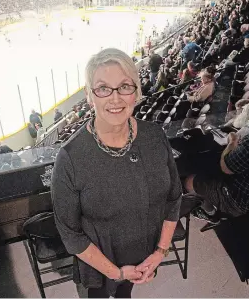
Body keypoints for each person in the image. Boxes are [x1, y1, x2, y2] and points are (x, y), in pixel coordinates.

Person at [52, 48, 182, 298]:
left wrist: (159, 253)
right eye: (103, 88)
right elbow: (71, 234)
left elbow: (173, 198)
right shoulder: (70, 158)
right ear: (90, 96)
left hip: (145, 255)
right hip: (98, 267)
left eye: (124, 86)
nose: (115, 98)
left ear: (136, 92)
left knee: (125, 295)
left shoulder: (155, 136)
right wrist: (116, 273)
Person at [184, 86, 249, 223]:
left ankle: (211, 214)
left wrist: (232, 142)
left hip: (240, 201)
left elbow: (226, 167)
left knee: (190, 180)